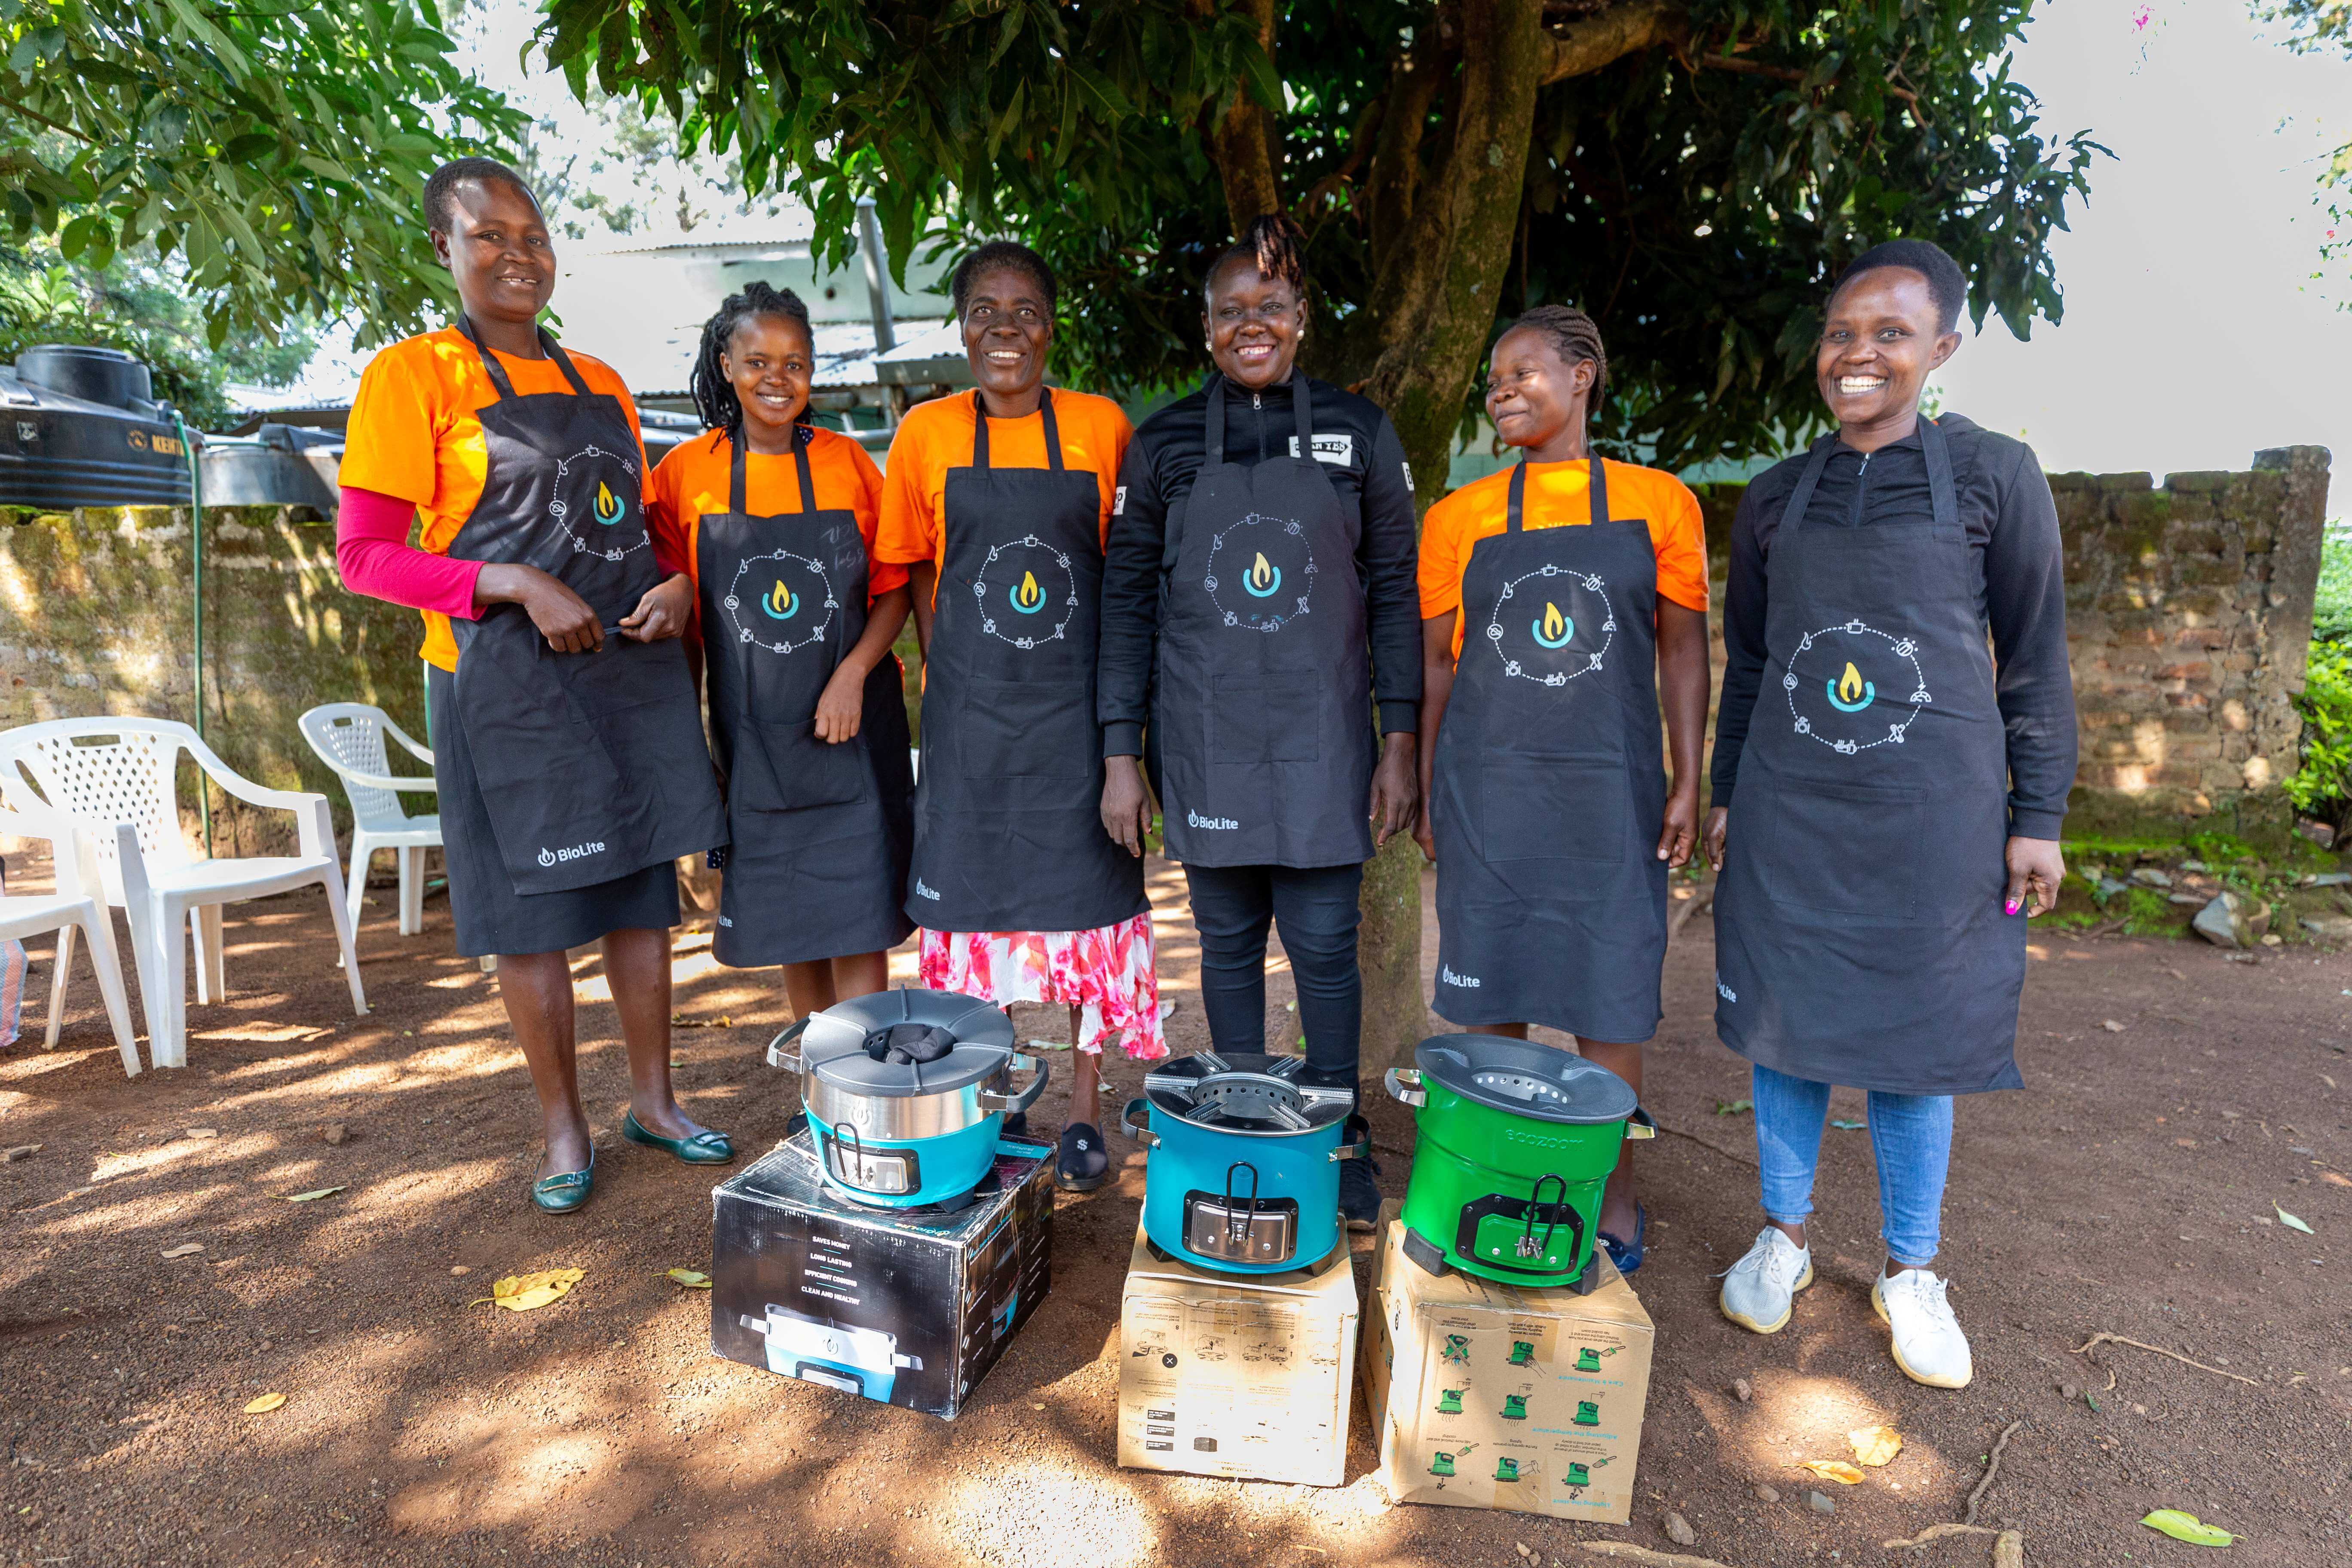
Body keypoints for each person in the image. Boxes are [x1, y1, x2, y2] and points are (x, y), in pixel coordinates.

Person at [1706, 239, 2075, 1387]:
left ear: (1942, 349)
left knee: (1921, 1037)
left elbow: (2034, 658)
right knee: (1786, 1020)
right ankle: (1786, 1238)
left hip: (1937, 815)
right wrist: (1728, 795)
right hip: (1793, 807)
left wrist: (2041, 813)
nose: (1859, 354)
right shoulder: (1776, 497)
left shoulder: (1995, 477)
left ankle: (1913, 1270)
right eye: (1842, 334)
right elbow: (1754, 663)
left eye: (1891, 334)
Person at [337, 159, 731, 1214]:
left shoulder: (599, 380)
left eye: (534, 235)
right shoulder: (410, 378)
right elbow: (365, 557)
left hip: (621, 671)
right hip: (492, 685)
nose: (518, 255)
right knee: (530, 916)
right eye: (488, 237)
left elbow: (630, 528)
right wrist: (508, 582)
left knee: (641, 898)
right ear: (444, 249)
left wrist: (675, 585)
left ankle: (657, 1099)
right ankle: (565, 1123)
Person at [1099, 215, 1422, 1230]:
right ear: (1205, 329)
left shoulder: (1358, 434)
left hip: (1327, 740)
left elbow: (1397, 593)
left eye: (1271, 307)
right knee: (1228, 941)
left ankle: (1337, 1132)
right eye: (1231, 310)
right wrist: (1121, 753)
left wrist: (1400, 736)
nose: (1253, 325)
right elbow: (1126, 603)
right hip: (1204, 738)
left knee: (1325, 947)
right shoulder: (1161, 446)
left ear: (1301, 320)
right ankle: (1242, 1118)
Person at [1412, 305, 1711, 1274]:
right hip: (1489, 793)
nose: (1501, 391)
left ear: (1584, 376)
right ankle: (1494, 1175)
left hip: (1610, 795)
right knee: (1489, 985)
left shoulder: (1659, 502)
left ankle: (1608, 1190)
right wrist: (1423, 787)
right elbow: (1438, 670)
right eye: (1494, 379)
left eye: (1524, 372)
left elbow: (1680, 649)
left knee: (1610, 994)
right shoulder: (1457, 520)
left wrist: (1687, 774)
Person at [875, 240, 1162, 1191]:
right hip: (971, 720)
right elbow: (913, 571)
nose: (1007, 328)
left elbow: (1123, 579)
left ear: (1051, 325)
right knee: (978, 918)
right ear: (961, 328)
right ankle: (996, 1095)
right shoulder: (924, 435)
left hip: (1078, 720)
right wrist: (950, 671)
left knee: (1087, 916)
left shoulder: (1100, 426)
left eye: (1027, 309)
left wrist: (1124, 736)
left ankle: (1083, 1110)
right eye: (986, 311)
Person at [646, 282, 915, 1017]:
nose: (777, 377)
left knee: (862, 911)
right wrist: (691, 747)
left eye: (795, 363)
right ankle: (820, 1076)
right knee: (795, 917)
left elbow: (893, 590)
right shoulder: (681, 476)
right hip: (754, 737)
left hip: (853, 726)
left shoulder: (850, 465)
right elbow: (682, 614)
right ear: (725, 365)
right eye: (757, 360)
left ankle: (867, 1075)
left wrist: (853, 675)